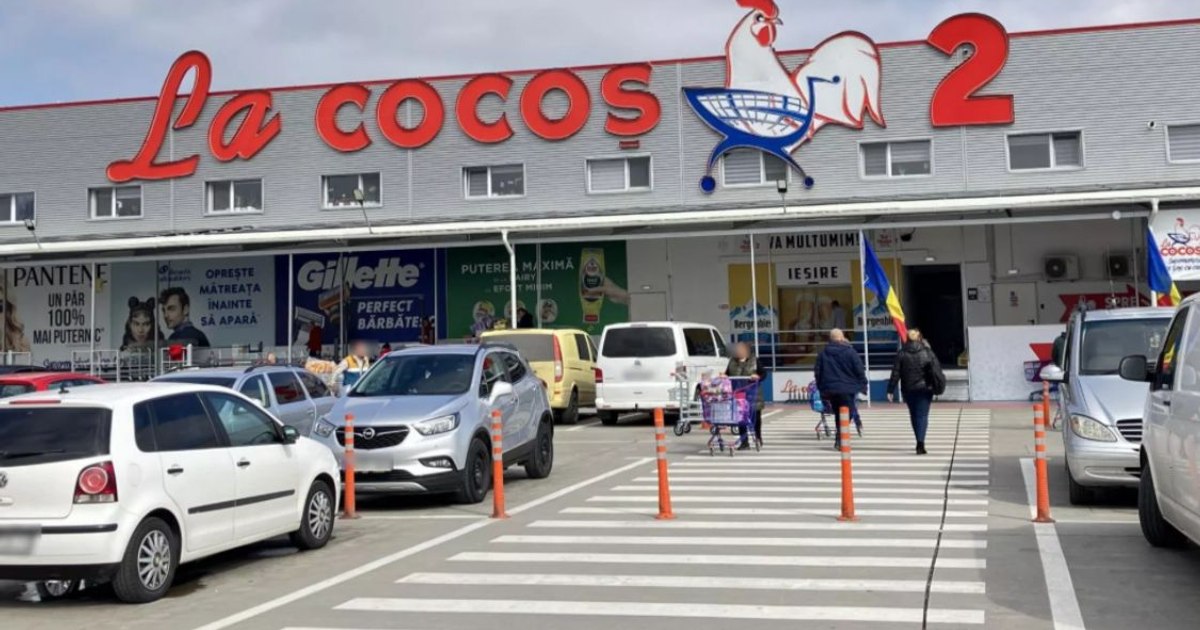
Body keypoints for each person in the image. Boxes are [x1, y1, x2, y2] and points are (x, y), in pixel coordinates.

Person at [888, 328, 939, 455]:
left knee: (914, 414)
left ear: (907, 338)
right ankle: (920, 443)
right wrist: (937, 384)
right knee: (922, 415)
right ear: (919, 338)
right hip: (925, 389)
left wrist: (890, 389)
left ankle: (918, 440)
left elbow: (895, 373)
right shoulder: (927, 352)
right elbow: (936, 369)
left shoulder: (901, 353)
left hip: (908, 389)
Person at [814, 328, 867, 450]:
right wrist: (863, 385)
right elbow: (859, 369)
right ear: (842, 338)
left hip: (831, 389)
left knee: (838, 413)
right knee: (849, 412)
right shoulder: (850, 352)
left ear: (831, 338)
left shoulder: (823, 354)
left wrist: (821, 388)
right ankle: (840, 438)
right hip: (848, 389)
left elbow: (818, 372)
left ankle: (839, 439)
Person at [725, 341, 764, 449]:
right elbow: (727, 374)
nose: (738, 351)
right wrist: (724, 376)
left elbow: (763, 373)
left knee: (756, 418)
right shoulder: (732, 362)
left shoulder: (754, 361)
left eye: (740, 349)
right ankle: (744, 442)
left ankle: (758, 437)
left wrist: (757, 376)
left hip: (753, 394)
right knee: (741, 418)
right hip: (739, 394)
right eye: (737, 349)